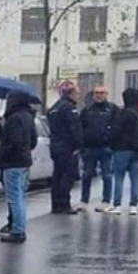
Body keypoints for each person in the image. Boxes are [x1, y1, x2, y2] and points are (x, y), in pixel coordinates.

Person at [0, 90, 37, 243]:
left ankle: (18, 230)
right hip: (24, 162)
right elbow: (33, 141)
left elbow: (13, 142)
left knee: (14, 198)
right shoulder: (28, 117)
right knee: (20, 197)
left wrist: (4, 153)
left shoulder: (14, 118)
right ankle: (18, 228)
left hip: (12, 162)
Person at [108, 87, 138, 215]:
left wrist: (111, 144)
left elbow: (116, 131)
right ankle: (133, 206)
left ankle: (117, 205)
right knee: (135, 177)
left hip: (122, 149)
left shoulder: (123, 113)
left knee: (119, 177)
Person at [78, 84, 117, 212]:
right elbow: (80, 127)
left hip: (106, 148)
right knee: (86, 175)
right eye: (96, 93)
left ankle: (106, 201)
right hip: (89, 148)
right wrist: (81, 145)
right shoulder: (87, 110)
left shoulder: (112, 109)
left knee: (107, 175)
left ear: (106, 94)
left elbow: (118, 127)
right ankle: (84, 201)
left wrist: (113, 143)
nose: (99, 95)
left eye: (101, 93)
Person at [46, 80, 82, 215]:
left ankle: (55, 205)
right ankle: (64, 204)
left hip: (55, 145)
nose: (78, 96)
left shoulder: (53, 108)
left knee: (57, 175)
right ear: (71, 94)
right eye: (77, 94)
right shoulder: (69, 108)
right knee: (68, 175)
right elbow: (74, 128)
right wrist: (78, 145)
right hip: (67, 146)